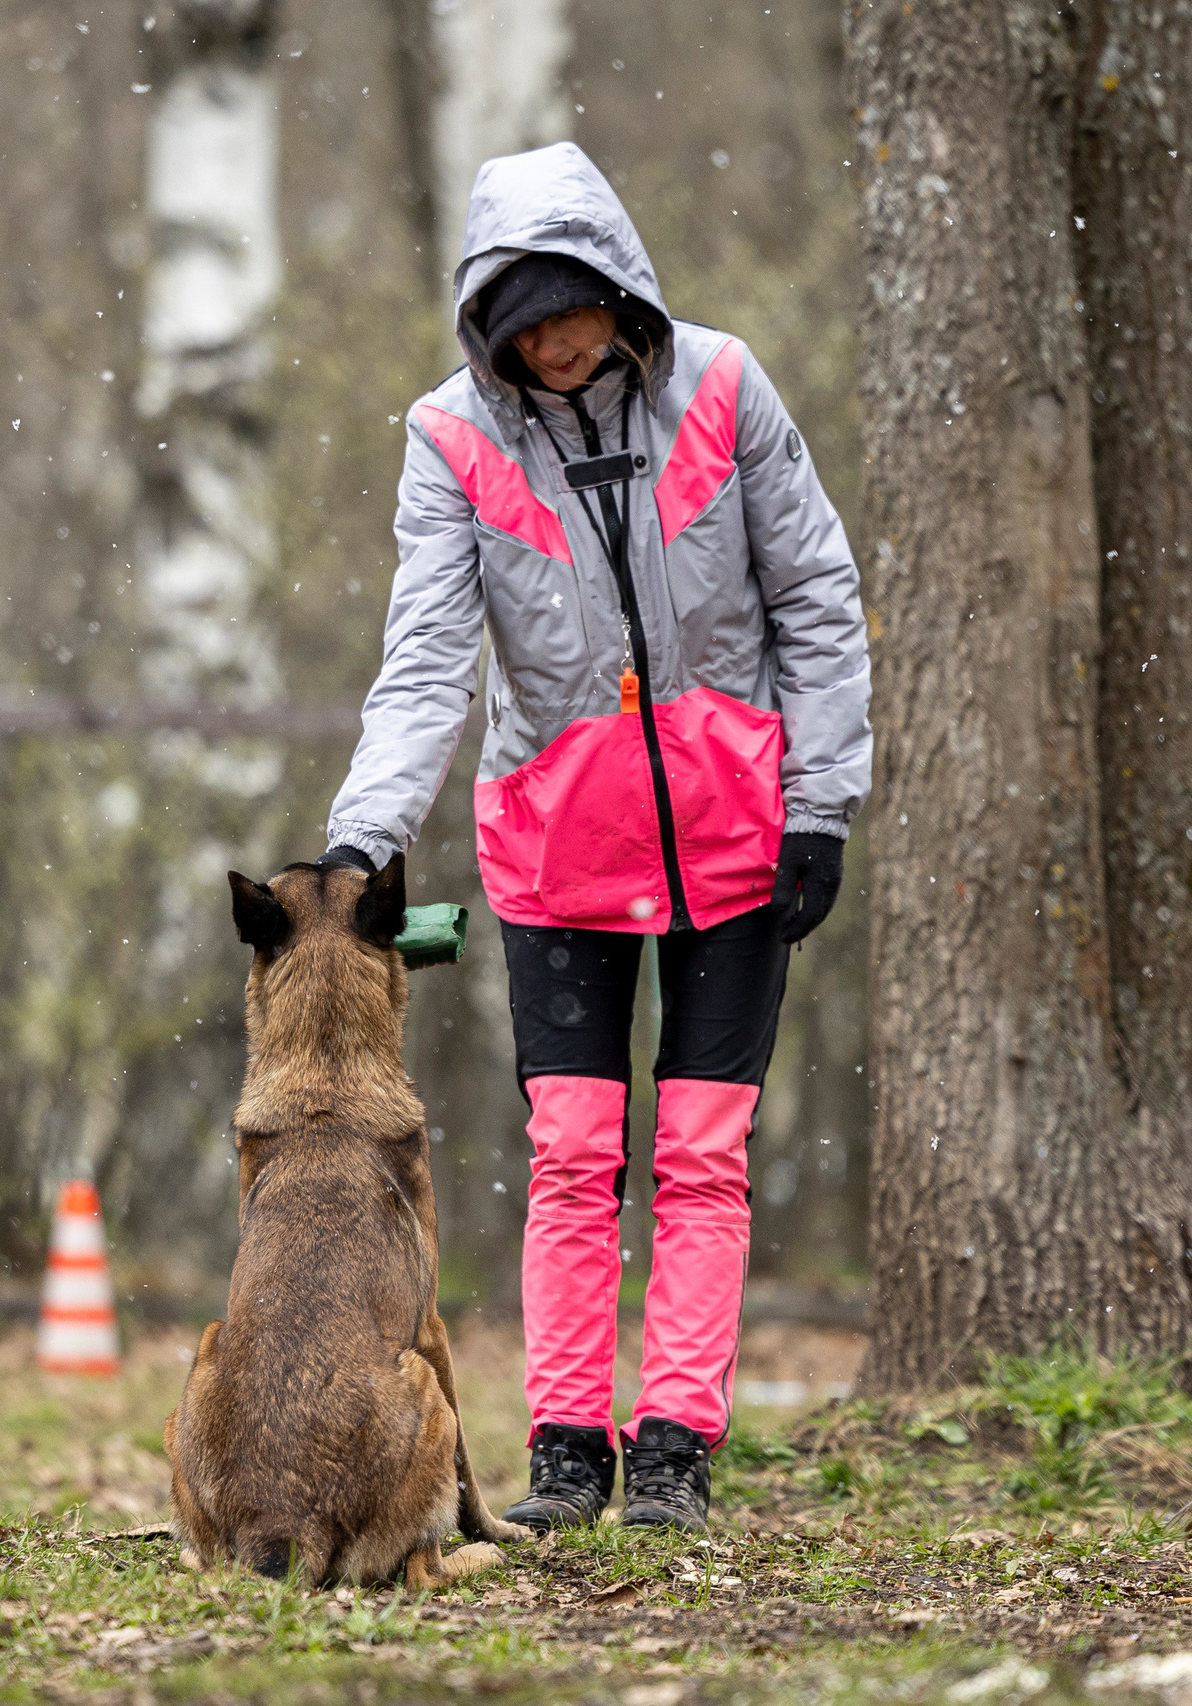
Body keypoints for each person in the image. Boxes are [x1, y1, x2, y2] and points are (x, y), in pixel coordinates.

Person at [317, 143, 872, 1533]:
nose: (550, 343)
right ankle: (567, 1442)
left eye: (566, 310)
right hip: (557, 853)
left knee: (701, 1147)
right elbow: (428, 658)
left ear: (619, 291)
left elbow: (816, 592)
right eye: (520, 325)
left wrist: (821, 802)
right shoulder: (451, 438)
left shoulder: (728, 388)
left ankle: (676, 1440)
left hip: (739, 839)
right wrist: (360, 842)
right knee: (572, 1148)